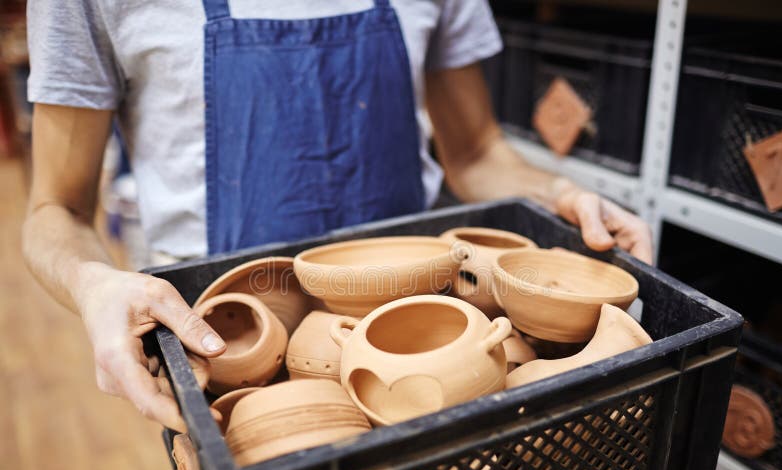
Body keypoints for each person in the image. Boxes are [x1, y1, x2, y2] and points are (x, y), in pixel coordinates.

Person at [23, 1, 652, 432]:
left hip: (426, 331)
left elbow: (476, 152)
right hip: (227, 353)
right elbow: (58, 208)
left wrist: (558, 191)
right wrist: (92, 283)